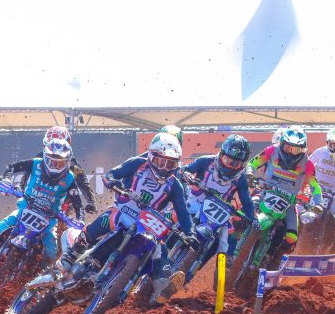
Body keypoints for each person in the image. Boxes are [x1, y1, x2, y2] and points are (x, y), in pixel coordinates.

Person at [56, 133, 197, 302]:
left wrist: (191, 233)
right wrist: (112, 182)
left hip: (146, 225)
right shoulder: (137, 164)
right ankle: (72, 254)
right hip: (123, 210)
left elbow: (183, 213)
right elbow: (111, 174)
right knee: (107, 220)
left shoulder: (175, 185)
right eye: (160, 162)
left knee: (160, 248)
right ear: (151, 156)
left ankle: (162, 285)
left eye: (170, 164)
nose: (164, 168)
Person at [156, 135, 260, 301]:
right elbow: (182, 170)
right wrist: (185, 175)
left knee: (228, 235)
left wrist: (252, 218)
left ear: (242, 165)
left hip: (216, 214)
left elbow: (246, 200)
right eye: (228, 161)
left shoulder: (240, 179)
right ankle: (154, 251)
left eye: (236, 164)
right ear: (221, 155)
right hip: (194, 203)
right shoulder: (206, 161)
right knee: (171, 218)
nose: (231, 166)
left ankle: (215, 267)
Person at [0, 139, 84, 267]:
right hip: (25, 208)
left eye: (60, 163)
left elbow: (78, 203)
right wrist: (6, 179)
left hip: (49, 219)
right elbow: (11, 167)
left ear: (68, 162)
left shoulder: (69, 178)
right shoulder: (35, 163)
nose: (55, 166)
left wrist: (80, 219)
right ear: (45, 158)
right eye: (52, 161)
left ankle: (35, 276)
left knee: (51, 253)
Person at [246, 125, 323, 262]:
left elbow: (315, 187)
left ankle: (274, 261)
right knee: (244, 212)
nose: (291, 153)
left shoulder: (308, 164)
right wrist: (250, 172)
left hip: (289, 203)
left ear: (303, 149)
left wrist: (319, 204)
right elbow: (253, 162)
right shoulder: (271, 150)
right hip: (266, 192)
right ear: (281, 143)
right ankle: (233, 244)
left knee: (291, 239)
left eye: (296, 149)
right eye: (288, 148)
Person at [21, 126, 96, 215]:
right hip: (35, 199)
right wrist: (22, 192)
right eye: (49, 145)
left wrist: (92, 203)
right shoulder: (38, 158)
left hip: (61, 206)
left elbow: (84, 184)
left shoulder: (73, 165)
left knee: (68, 205)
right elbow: (25, 178)